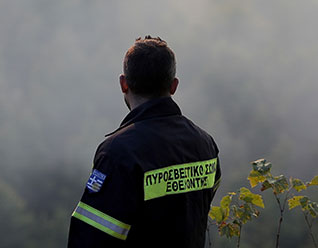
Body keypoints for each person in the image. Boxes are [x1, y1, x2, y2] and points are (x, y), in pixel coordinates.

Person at [68, 36, 221, 247]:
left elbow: (91, 238)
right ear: (173, 86)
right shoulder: (205, 144)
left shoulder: (118, 153)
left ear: (123, 83)